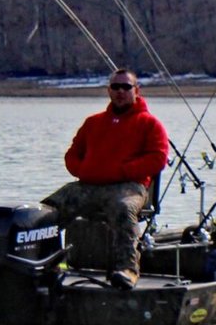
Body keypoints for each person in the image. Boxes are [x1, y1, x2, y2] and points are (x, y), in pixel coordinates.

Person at [45, 67, 170, 290]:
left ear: (136, 90)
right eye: (115, 87)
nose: (120, 91)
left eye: (126, 87)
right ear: (108, 90)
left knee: (123, 209)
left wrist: (123, 171)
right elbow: (72, 155)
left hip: (130, 187)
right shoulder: (93, 122)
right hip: (88, 186)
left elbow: (158, 159)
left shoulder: (150, 124)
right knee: (46, 210)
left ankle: (128, 270)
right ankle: (45, 263)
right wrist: (84, 170)